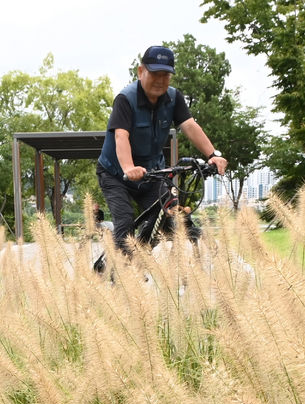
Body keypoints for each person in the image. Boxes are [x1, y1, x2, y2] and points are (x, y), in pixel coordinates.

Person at [97, 45, 228, 255]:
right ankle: (118, 280)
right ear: (141, 72)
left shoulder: (174, 98)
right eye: (154, 73)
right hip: (116, 174)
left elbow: (189, 126)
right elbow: (121, 135)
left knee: (171, 217)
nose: (160, 80)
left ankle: (144, 263)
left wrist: (212, 155)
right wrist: (129, 167)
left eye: (165, 75)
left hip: (151, 173)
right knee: (125, 223)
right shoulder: (125, 99)